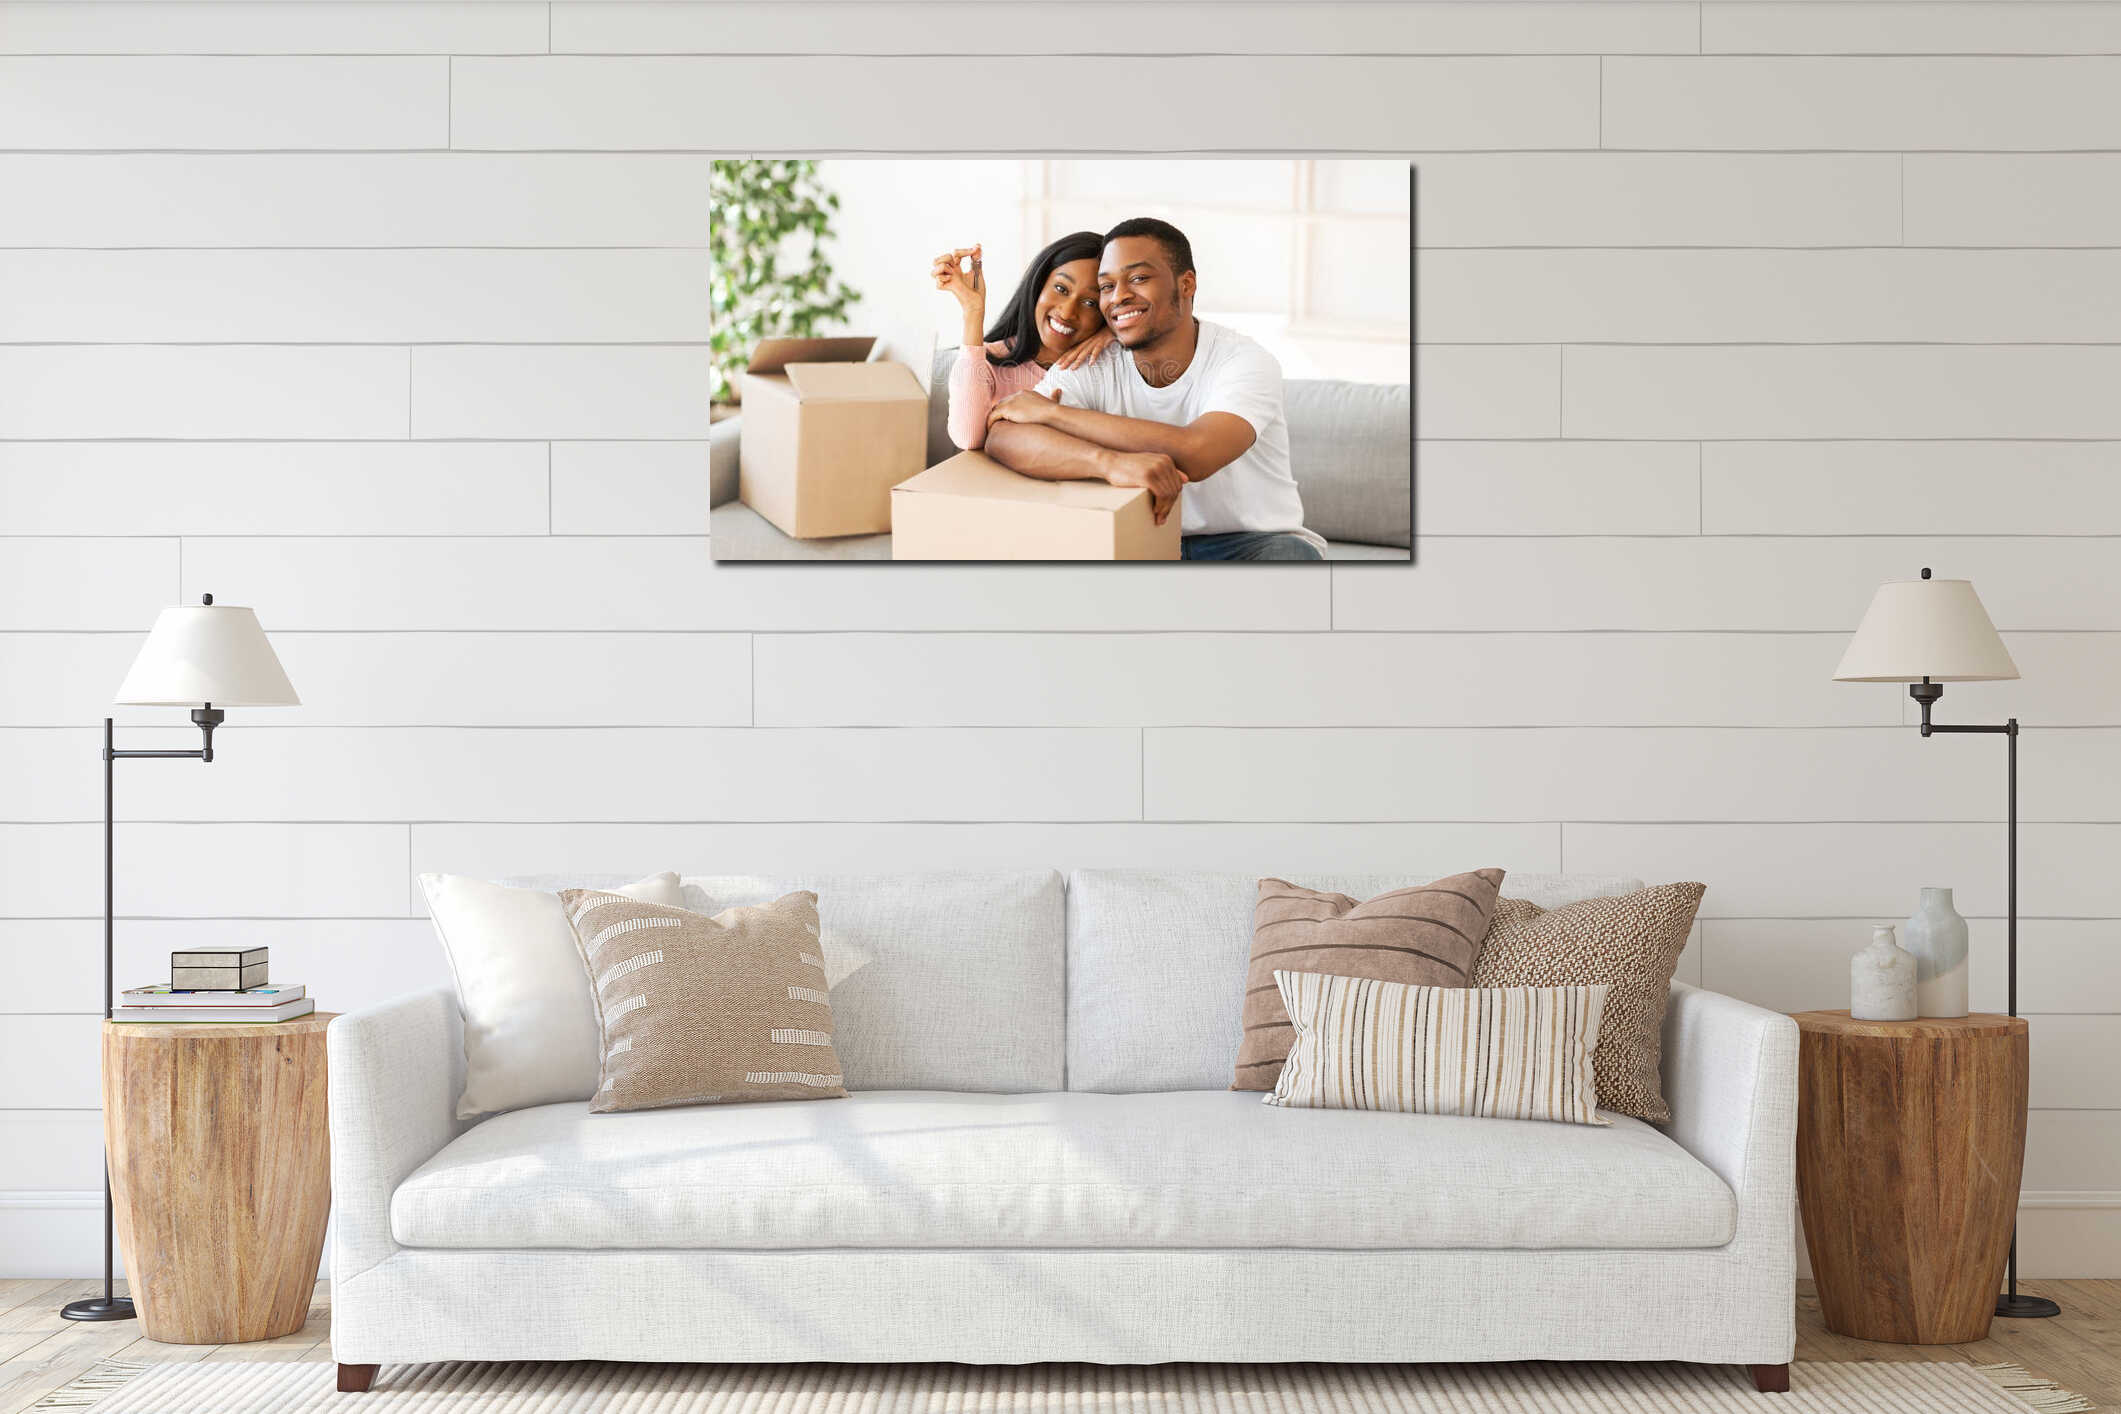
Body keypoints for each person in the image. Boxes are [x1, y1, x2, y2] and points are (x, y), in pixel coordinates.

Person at [981, 217, 1323, 561]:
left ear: (1186, 284)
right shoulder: (1093, 363)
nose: (1119, 297)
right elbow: (1004, 437)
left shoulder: (1245, 361)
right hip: (1141, 539)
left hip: (1246, 544)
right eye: (1107, 286)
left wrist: (1055, 414)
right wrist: (1108, 463)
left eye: (1139, 278)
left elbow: (1197, 453)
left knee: (1290, 558)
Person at [931, 232, 1113, 451]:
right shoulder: (991, 361)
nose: (1067, 312)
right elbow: (968, 438)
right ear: (1039, 286)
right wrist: (973, 311)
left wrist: (1115, 333)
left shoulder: (1107, 365)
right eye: (1061, 289)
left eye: (1090, 302)